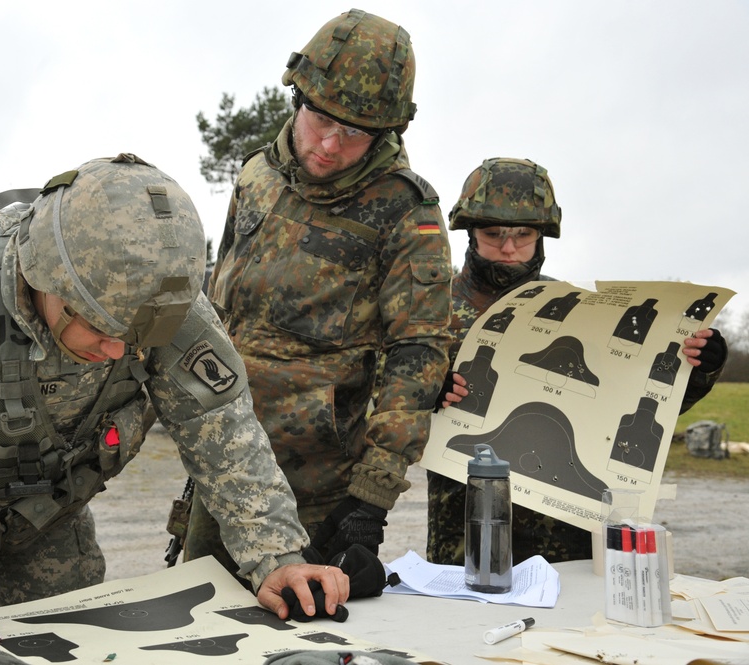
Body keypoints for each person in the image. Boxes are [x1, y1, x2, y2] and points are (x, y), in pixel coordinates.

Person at [0, 153, 349, 624]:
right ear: (46, 276)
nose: (118, 351)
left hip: (48, 530)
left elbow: (226, 434)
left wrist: (277, 556)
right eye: (102, 329)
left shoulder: (165, 307)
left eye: (138, 338)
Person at [184, 9, 454, 576]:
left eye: (356, 132)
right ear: (297, 99)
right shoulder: (256, 174)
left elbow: (419, 355)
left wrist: (371, 498)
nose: (330, 145)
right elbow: (214, 307)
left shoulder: (408, 212)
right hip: (225, 456)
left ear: (387, 132)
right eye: (320, 119)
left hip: (320, 489)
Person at [426, 156, 729, 565]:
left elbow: (629, 407)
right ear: (470, 232)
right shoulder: (431, 308)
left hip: (563, 533)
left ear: (543, 236)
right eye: (494, 233)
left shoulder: (580, 310)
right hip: (464, 525)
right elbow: (381, 398)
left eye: (524, 233)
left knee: (565, 627)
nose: (509, 246)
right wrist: (425, 387)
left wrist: (698, 370)